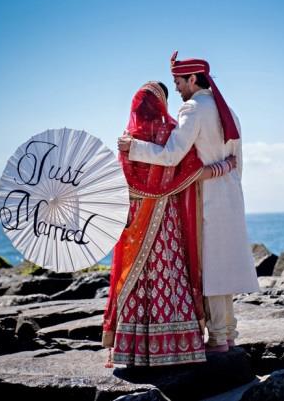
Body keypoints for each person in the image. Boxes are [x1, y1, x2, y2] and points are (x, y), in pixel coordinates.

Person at [117, 52, 259, 353]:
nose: (177, 89)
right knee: (225, 265)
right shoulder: (228, 111)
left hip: (204, 196)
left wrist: (134, 148)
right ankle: (228, 334)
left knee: (209, 267)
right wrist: (224, 173)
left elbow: (171, 154)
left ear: (193, 78)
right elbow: (238, 162)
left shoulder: (193, 110)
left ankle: (219, 339)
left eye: (178, 82)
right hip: (230, 194)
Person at [102, 81, 236, 367]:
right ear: (161, 103)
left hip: (135, 220)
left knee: (135, 278)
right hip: (167, 220)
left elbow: (118, 185)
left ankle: (133, 348)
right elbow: (188, 170)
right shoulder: (168, 132)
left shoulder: (126, 141)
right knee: (170, 273)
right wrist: (224, 167)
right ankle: (177, 345)